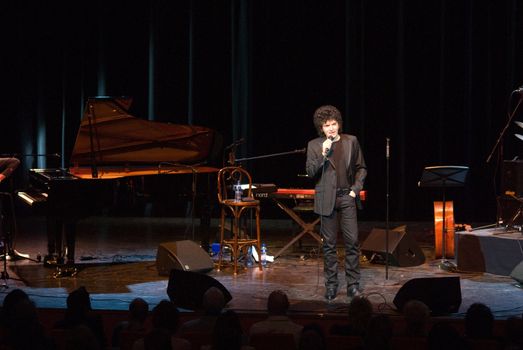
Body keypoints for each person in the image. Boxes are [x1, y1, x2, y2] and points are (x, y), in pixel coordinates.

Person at [305, 105, 367, 301]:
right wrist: (323, 155)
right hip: (326, 199)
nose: (331, 128)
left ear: (339, 124)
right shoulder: (315, 145)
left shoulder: (351, 141)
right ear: (321, 128)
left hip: (346, 197)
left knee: (352, 242)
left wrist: (354, 190)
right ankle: (331, 285)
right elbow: (310, 172)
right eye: (326, 125)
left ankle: (353, 285)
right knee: (329, 245)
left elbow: (361, 168)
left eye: (333, 124)